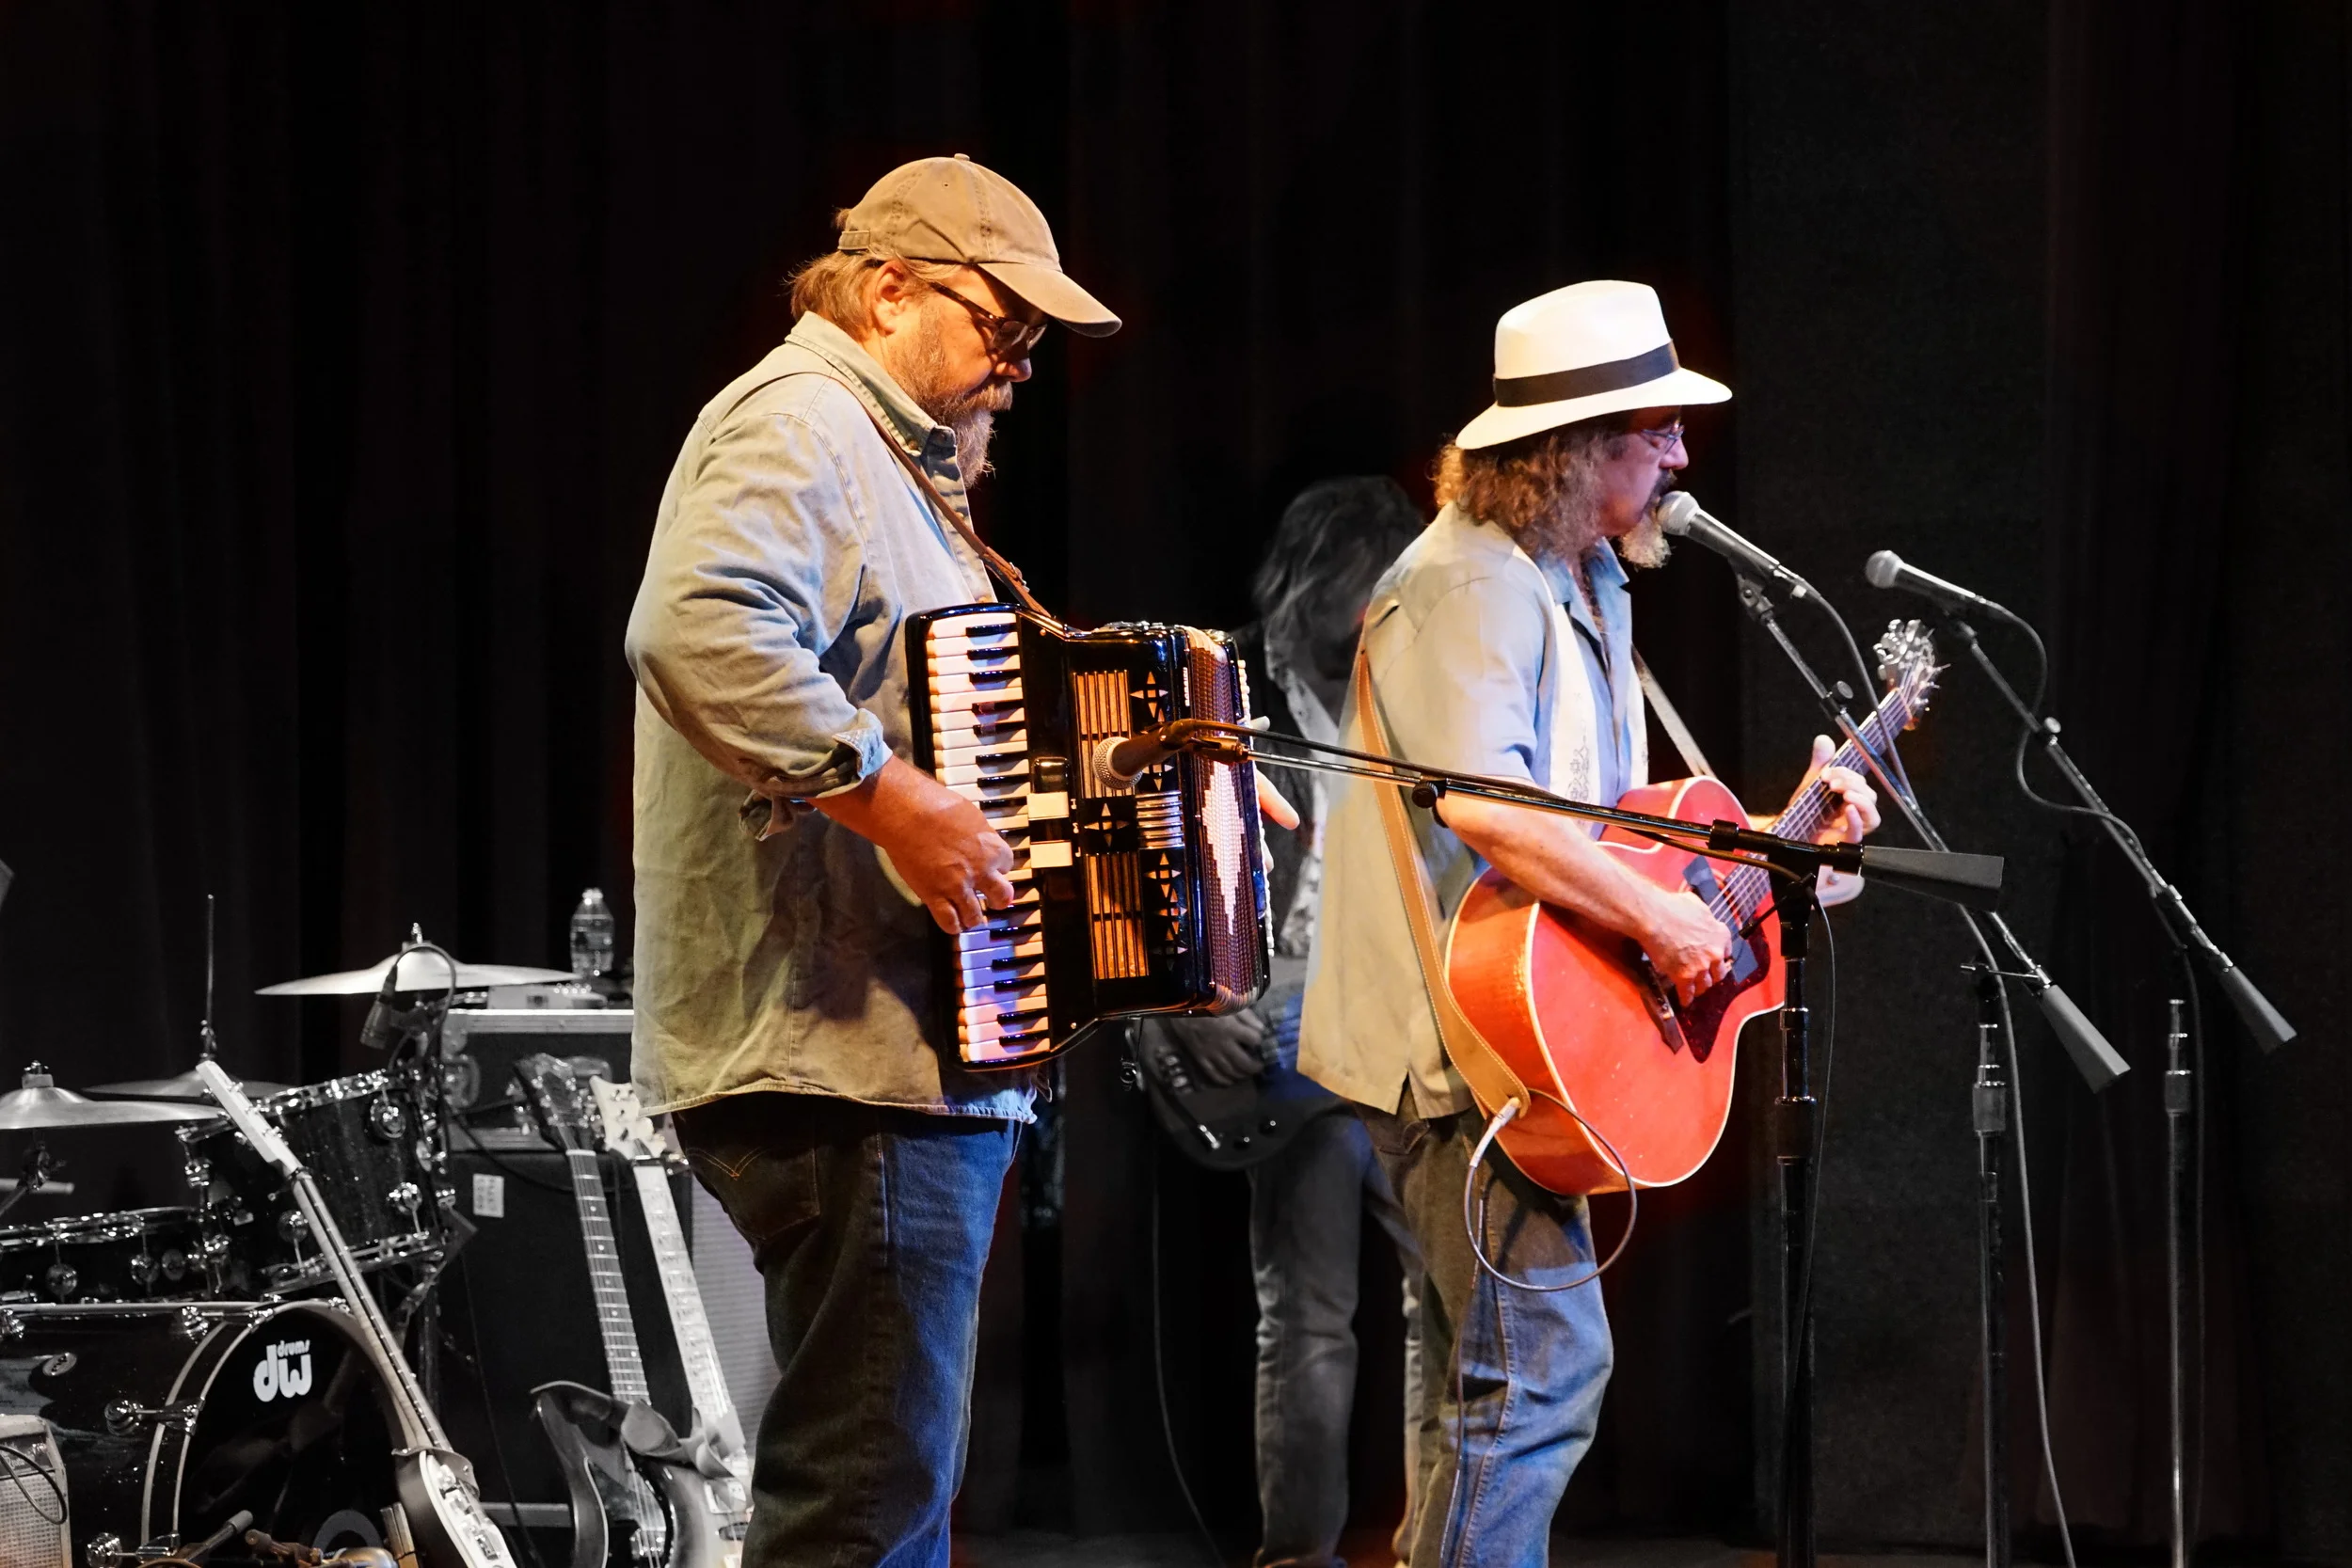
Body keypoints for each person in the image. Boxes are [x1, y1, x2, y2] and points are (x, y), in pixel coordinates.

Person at [1299, 280, 1882, 1567]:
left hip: (1523, 1040)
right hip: (1464, 1055)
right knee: (1540, 1375)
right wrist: (1666, 926)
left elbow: (1621, 830)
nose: (1682, 455)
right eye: (1654, 431)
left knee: (1477, 1388)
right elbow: (1489, 810)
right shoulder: (1462, 586)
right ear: (1568, 451)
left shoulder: (1589, 584)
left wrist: (1786, 859)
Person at [623, 154, 1119, 1567]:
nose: (1019, 363)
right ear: (886, 285)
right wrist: (889, 797)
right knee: (861, 1510)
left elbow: (955, 728)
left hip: (893, 1055)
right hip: (842, 1051)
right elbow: (695, 628)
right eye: (1000, 323)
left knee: (883, 1494)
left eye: (1034, 341)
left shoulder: (896, 462)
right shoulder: (805, 426)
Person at [1152, 477, 1430, 1568]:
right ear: (1315, 574)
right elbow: (1138, 865)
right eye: (1367, 585)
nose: (1381, 611)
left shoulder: (1413, 690)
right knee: (1309, 1325)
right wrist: (1174, 1019)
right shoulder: (1221, 684)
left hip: (1402, 1035)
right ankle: (1297, 1558)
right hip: (1279, 1050)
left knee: (1447, 1307)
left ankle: (1440, 1544)